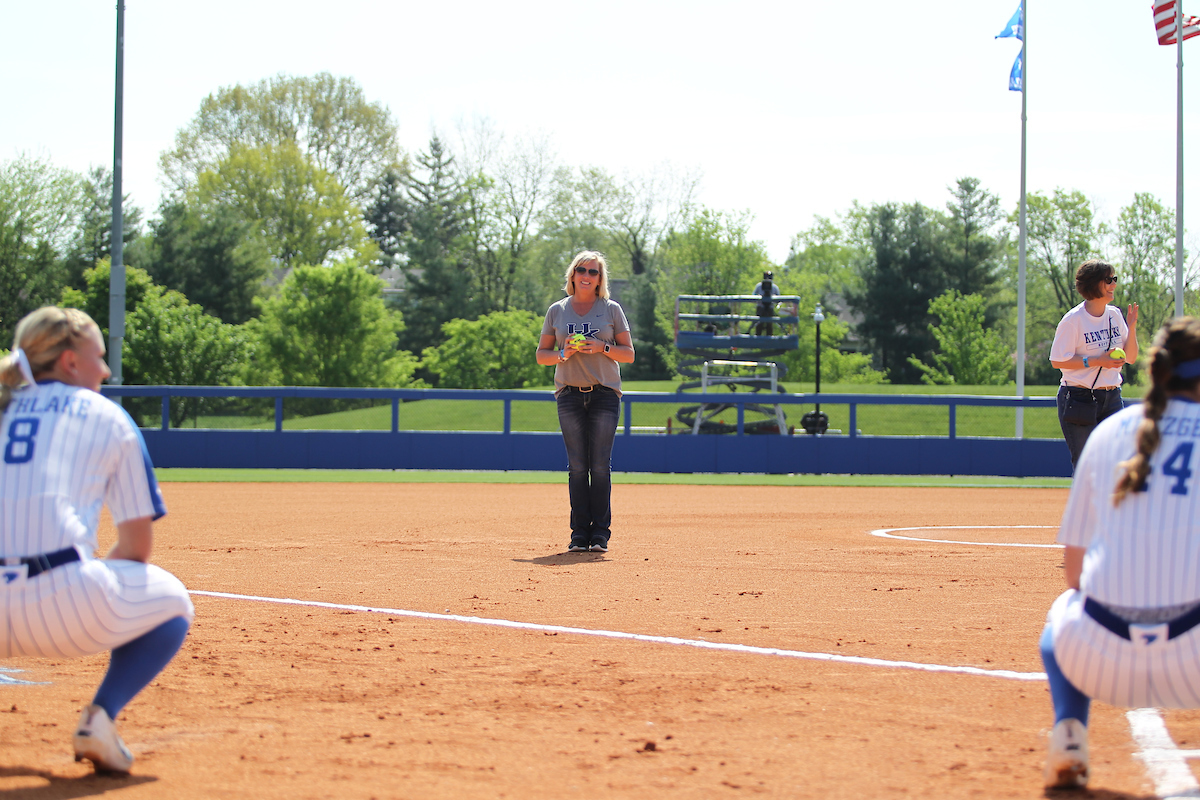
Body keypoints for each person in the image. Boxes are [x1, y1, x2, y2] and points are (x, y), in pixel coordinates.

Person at [0, 307, 194, 773]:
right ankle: (100, 719)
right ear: (70, 362)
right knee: (173, 600)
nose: (106, 370)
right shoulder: (108, 416)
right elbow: (135, 549)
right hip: (62, 607)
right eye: (98, 357)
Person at [1039, 316, 1200, 789]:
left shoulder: (1110, 433)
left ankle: (1069, 733)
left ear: (1156, 371)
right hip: (1194, 669)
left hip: (1100, 662)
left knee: (1062, 608)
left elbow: (1074, 574)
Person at [536, 251, 635, 553]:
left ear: (600, 279)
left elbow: (628, 353)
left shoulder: (611, 309)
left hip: (604, 393)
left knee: (600, 466)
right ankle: (579, 534)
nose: (587, 275)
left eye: (593, 272)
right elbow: (542, 355)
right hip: (568, 394)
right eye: (581, 270)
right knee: (578, 467)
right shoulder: (558, 310)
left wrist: (602, 346)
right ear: (572, 275)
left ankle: (600, 535)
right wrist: (563, 353)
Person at [1049, 259, 1139, 468]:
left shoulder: (1115, 315)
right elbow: (1057, 360)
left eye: (1114, 279)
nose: (1114, 284)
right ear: (1093, 283)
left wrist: (1132, 328)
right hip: (1079, 397)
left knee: (1118, 464)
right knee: (1087, 466)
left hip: (1112, 396)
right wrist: (1098, 360)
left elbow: (1131, 358)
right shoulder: (1074, 319)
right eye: (1109, 280)